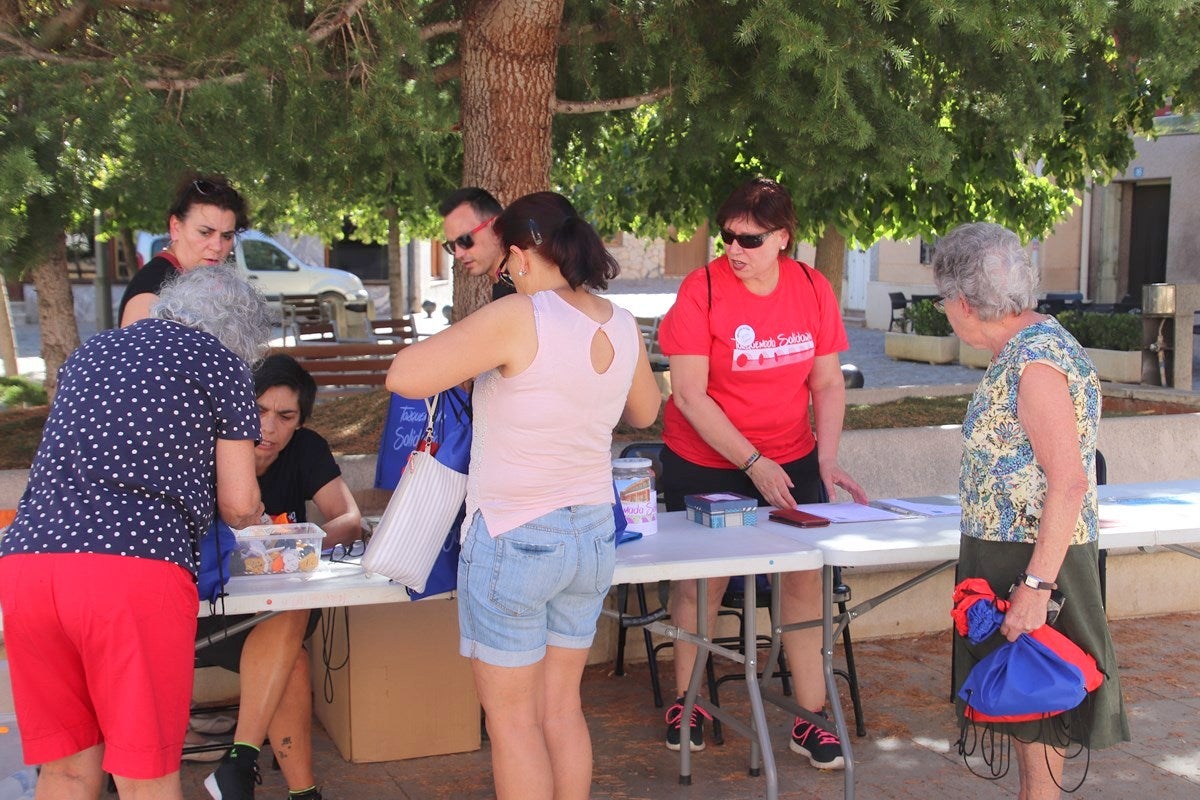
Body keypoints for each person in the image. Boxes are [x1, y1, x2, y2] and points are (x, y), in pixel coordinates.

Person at [386, 191, 660, 800]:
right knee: (562, 710)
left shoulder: (521, 316)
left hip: (515, 534)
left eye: (508, 261)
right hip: (591, 535)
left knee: (512, 725)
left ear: (520, 254)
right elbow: (645, 409)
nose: (506, 272)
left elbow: (403, 375)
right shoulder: (620, 322)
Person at [0, 265, 270, 800]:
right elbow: (239, 504)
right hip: (131, 570)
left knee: (66, 771)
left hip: (29, 564)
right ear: (243, 336)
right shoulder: (222, 365)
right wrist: (255, 516)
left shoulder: (92, 352)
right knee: (144, 775)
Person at [655, 177, 866, 767]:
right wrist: (752, 461)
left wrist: (824, 460)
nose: (734, 249)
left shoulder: (810, 285)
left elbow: (826, 381)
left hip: (790, 454)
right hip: (706, 459)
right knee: (705, 580)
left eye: (748, 239)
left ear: (782, 238)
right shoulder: (702, 290)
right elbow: (691, 395)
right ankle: (687, 701)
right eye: (726, 236)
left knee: (802, 580)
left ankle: (810, 717)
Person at [936, 222, 1129, 798]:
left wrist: (1036, 586)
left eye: (945, 300)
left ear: (964, 302)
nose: (946, 311)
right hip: (1013, 556)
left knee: (1037, 710)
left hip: (1031, 562)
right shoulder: (1029, 347)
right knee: (1027, 712)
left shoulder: (1035, 361)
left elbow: (1070, 480)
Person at [201, 355, 361, 800]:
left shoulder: (306, 449)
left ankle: (244, 766)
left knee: (287, 611)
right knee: (290, 646)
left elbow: (348, 518)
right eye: (257, 411)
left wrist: (296, 547)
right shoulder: (206, 448)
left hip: (272, 609)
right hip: (210, 613)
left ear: (299, 422)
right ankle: (294, 789)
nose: (268, 428)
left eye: (285, 416)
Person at [119, 173, 249, 326]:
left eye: (227, 236)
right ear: (175, 227)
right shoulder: (150, 292)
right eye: (205, 233)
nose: (217, 246)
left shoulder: (195, 279)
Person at [438, 187, 516, 301]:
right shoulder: (506, 285)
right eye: (452, 245)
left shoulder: (523, 288)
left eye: (464, 239)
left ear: (496, 227)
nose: (458, 254)